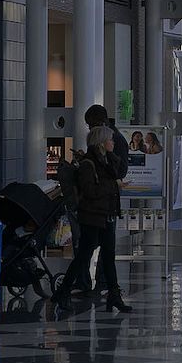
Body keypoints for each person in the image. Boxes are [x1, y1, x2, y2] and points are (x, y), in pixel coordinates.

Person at [53, 125, 131, 313]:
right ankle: (63, 291)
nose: (113, 142)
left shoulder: (105, 161)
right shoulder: (89, 164)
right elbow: (90, 191)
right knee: (84, 255)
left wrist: (113, 174)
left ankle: (114, 294)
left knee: (108, 256)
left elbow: (116, 172)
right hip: (92, 217)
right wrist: (114, 185)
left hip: (107, 214)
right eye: (110, 139)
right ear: (102, 143)